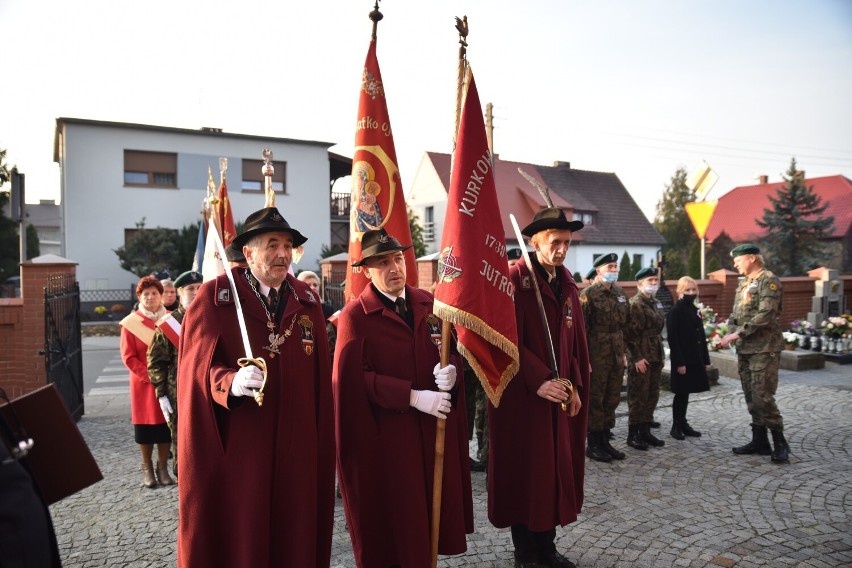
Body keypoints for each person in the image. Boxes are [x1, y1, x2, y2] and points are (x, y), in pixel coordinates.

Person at [176, 207, 335, 567]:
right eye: (272, 245)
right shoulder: (215, 298)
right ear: (247, 252)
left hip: (297, 448)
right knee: (242, 538)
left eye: (288, 245)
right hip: (243, 448)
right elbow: (196, 371)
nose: (282, 253)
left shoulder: (306, 301)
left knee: (293, 538)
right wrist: (230, 382)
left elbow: (320, 382)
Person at [334, 228, 473, 568]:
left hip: (431, 436)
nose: (394, 268)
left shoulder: (429, 304)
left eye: (397, 259)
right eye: (382, 263)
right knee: (400, 527)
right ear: (366, 270)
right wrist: (410, 396)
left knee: (431, 520)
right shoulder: (355, 317)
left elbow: (449, 352)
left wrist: (452, 371)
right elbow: (352, 380)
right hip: (390, 444)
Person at [488, 208, 590, 568]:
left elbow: (573, 342)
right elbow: (502, 340)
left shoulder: (567, 284)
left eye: (566, 242)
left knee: (552, 475)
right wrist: (539, 379)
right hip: (522, 399)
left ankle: (547, 548)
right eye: (554, 242)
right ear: (534, 242)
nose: (561, 249)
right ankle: (526, 554)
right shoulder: (513, 281)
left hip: (559, 399)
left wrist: (574, 384)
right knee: (526, 474)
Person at [720, 244, 790, 463]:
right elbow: (736, 314)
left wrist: (738, 334)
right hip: (746, 348)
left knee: (763, 396)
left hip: (764, 348)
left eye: (738, 259)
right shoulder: (745, 285)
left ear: (751, 258)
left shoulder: (768, 280)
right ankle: (760, 441)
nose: (735, 263)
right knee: (751, 396)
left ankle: (780, 442)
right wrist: (728, 333)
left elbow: (766, 314)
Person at [147, 270, 202, 479]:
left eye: (199, 288)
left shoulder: (212, 318)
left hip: (208, 391)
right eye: (190, 289)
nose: (196, 293)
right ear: (180, 292)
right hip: (179, 393)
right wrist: (161, 394)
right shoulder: (169, 324)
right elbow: (155, 362)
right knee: (184, 444)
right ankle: (185, 487)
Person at [119, 276, 171, 488]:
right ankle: (147, 468)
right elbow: (128, 357)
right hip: (144, 384)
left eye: (154, 293)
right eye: (145, 294)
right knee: (146, 428)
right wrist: (151, 376)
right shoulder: (131, 323)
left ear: (161, 296)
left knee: (166, 426)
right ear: (139, 296)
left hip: (168, 381)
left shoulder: (170, 318)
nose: (150, 297)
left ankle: (163, 468)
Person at [579, 252, 629, 462]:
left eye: (615, 267)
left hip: (616, 353)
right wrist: (585, 359)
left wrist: (624, 353)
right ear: (598, 270)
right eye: (610, 267)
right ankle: (593, 444)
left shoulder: (620, 293)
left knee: (612, 397)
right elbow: (581, 330)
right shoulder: (588, 295)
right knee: (596, 399)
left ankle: (606, 440)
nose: (614, 271)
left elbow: (624, 325)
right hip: (597, 354)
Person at [623, 267, 666, 450]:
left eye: (655, 281)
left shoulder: (655, 302)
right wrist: (636, 357)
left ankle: (646, 431)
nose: (653, 284)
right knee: (638, 395)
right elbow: (629, 334)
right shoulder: (635, 304)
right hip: (641, 355)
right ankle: (633, 434)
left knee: (652, 394)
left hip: (655, 353)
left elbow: (659, 329)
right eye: (650, 281)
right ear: (640, 283)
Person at [666, 276, 710, 440]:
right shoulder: (675, 311)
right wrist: (679, 362)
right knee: (680, 392)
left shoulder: (694, 309)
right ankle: (676, 426)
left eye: (693, 290)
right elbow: (673, 339)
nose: (691, 293)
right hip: (682, 359)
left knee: (687, 392)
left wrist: (705, 360)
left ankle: (683, 423)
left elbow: (701, 335)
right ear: (680, 291)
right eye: (687, 290)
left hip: (694, 357)